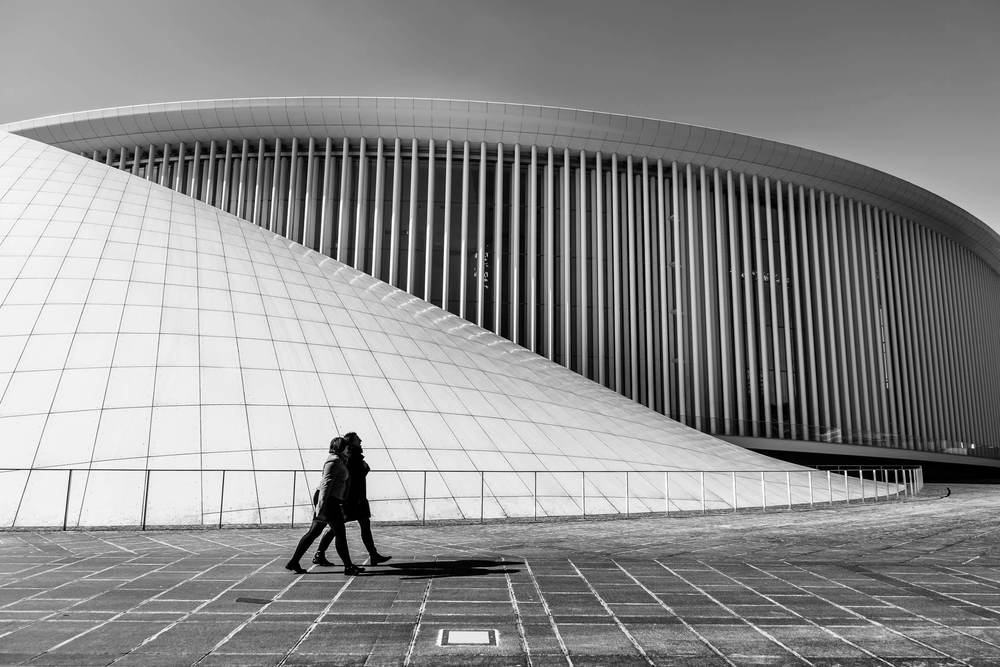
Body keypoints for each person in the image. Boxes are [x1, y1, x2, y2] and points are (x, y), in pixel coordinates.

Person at [285, 437, 365, 576]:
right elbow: (325, 485)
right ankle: (348, 566)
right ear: (340, 447)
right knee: (340, 533)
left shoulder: (340, 460)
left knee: (314, 532)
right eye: (347, 447)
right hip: (328, 501)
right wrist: (320, 508)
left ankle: (294, 561)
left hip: (331, 500)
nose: (349, 449)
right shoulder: (333, 462)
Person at [314, 432, 391, 566]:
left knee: (364, 525)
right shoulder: (347, 458)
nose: (361, 441)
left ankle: (373, 554)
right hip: (349, 498)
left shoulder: (355, 457)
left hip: (358, 497)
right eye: (357, 439)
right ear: (351, 443)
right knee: (334, 528)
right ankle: (320, 553)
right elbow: (346, 479)